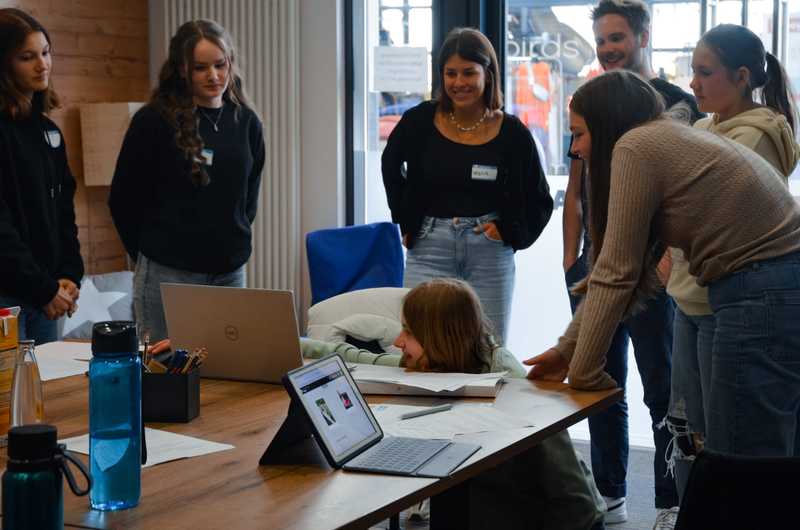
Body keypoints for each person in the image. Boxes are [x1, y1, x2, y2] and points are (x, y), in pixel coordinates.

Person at [526, 68, 800, 470]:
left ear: (606, 126)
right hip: (768, 285)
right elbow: (626, 270)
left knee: (742, 463)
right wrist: (568, 352)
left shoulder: (636, 146)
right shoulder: (661, 137)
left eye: (580, 133)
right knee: (742, 453)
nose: (575, 148)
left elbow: (616, 274)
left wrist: (583, 369)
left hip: (761, 289)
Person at [303, 278, 605, 530]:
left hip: (547, 515)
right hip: (480, 501)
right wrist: (298, 344)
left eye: (408, 331)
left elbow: (568, 486)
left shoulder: (506, 377)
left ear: (438, 338)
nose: (398, 341)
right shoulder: (438, 363)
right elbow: (366, 359)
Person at [559, 1, 702, 525]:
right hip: (597, 264)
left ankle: (669, 502)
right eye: (600, 40)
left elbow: (678, 200)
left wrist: (665, 264)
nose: (608, 49)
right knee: (600, 380)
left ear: (643, 35)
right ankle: (610, 495)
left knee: (663, 389)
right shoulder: (591, 102)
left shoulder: (675, 106)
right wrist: (571, 262)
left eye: (617, 37)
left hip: (651, 272)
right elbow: (578, 188)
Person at [665, 23, 800, 500]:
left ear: (742, 76)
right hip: (691, 297)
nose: (694, 83)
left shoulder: (758, 137)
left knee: (731, 441)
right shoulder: (706, 128)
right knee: (693, 428)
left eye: (705, 72)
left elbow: (699, 208)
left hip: (731, 298)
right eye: (693, 72)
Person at [381, 27, 553, 346]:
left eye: (469, 72)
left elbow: (539, 197)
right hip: (429, 246)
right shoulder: (420, 121)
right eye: (451, 73)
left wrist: (512, 233)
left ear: (488, 74)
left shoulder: (513, 132)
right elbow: (390, 165)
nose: (459, 83)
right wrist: (405, 219)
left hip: (488, 251)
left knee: (488, 349)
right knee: (420, 344)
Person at [109, 19, 265, 342]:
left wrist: (231, 235)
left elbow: (248, 199)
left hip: (229, 273)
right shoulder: (153, 121)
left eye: (220, 65)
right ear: (182, 69)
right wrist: (150, 254)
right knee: (164, 378)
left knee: (226, 377)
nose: (214, 76)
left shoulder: (246, 122)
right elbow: (123, 200)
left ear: (230, 62)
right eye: (201, 68)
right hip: (168, 274)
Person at [0, 8, 82, 344]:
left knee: (43, 395)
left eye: (46, 53)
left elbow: (64, 211)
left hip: (48, 297)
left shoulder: (50, 132)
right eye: (27, 56)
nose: (42, 65)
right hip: (10, 297)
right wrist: (45, 288)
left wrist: (69, 275)